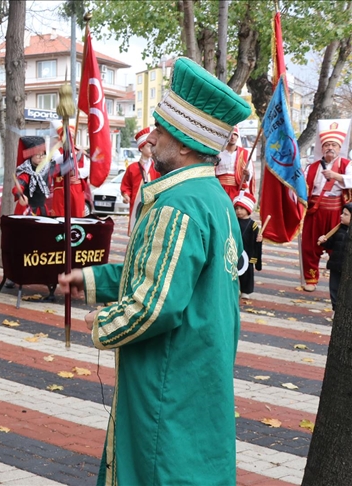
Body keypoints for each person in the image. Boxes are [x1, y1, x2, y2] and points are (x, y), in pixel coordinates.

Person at [57, 57, 251, 485]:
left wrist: (101, 324)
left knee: (161, 469)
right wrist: (89, 280)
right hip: (199, 368)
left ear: (184, 143)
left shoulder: (178, 204)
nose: (152, 138)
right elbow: (157, 270)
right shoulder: (212, 196)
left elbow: (156, 306)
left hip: (169, 377)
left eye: (160, 130)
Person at [301, 119, 352, 291]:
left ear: (340, 148)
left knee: (337, 246)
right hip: (315, 210)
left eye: (334, 145)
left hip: (337, 211)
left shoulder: (346, 164)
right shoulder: (312, 166)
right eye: (327, 144)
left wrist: (336, 176)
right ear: (322, 148)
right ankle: (310, 279)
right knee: (309, 245)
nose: (330, 147)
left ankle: (340, 280)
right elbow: (304, 186)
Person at [120, 127, 160, 235]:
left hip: (153, 203)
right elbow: (126, 185)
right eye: (149, 146)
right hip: (136, 204)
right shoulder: (133, 168)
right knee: (135, 227)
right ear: (141, 148)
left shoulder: (157, 167)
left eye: (153, 146)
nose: (152, 149)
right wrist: (126, 195)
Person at [318, 202, 352, 311]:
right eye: (342, 213)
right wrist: (324, 241)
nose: (341, 216)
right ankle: (335, 309)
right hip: (336, 265)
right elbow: (331, 244)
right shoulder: (338, 230)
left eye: (346, 214)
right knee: (334, 288)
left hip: (348, 268)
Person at [233, 190, 262, 298]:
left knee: (247, 273)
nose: (238, 211)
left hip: (248, 253)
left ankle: (246, 290)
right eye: (236, 208)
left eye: (241, 208)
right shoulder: (233, 222)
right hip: (235, 251)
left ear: (248, 209)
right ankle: (234, 289)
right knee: (233, 271)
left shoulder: (253, 225)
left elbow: (256, 241)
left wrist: (259, 239)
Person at [12, 136, 51, 216]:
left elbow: (60, 170)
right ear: (31, 156)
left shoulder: (47, 169)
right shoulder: (26, 171)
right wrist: (20, 196)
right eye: (37, 155)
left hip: (42, 209)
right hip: (27, 209)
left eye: (43, 155)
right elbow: (18, 187)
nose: (41, 158)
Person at [215, 125, 253, 199]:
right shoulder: (218, 153)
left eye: (235, 134)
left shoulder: (245, 153)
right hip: (220, 189)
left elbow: (249, 174)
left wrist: (247, 174)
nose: (233, 137)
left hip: (237, 189)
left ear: (238, 136)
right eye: (230, 134)